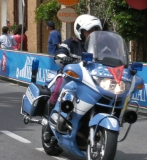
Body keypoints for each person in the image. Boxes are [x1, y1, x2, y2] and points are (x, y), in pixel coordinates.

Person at [43, 15, 103, 144]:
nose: (92, 34)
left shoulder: (101, 47)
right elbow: (60, 52)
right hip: (71, 77)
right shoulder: (71, 43)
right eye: (89, 31)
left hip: (91, 81)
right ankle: (48, 126)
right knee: (58, 90)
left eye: (95, 30)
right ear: (80, 31)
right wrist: (64, 57)